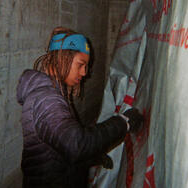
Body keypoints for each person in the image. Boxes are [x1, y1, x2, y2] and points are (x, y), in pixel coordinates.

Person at [16, 27, 144, 188]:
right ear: (62, 58)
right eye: (81, 64)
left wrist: (91, 156)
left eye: (86, 66)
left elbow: (60, 147)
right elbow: (75, 145)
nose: (85, 72)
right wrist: (123, 122)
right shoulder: (47, 99)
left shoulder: (51, 94)